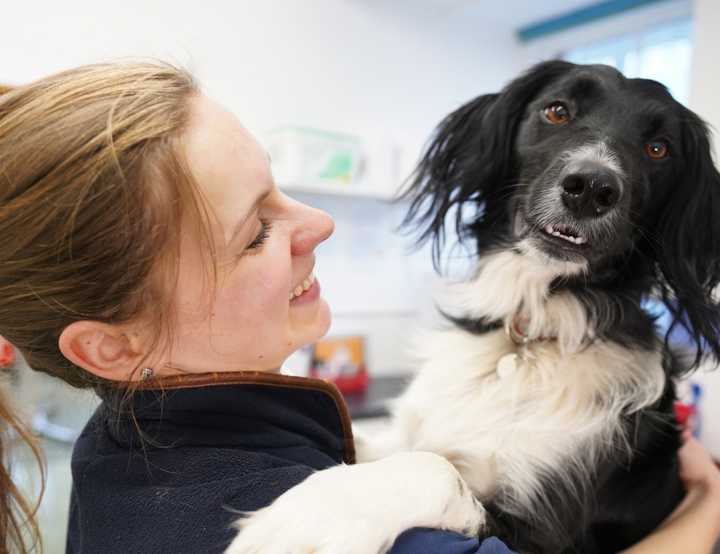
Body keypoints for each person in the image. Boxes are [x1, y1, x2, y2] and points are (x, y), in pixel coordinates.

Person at [0, 62, 718, 554]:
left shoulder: (120, 436)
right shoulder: (231, 505)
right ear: (109, 347)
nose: (320, 223)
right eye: (254, 233)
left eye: (653, 149)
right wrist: (709, 508)